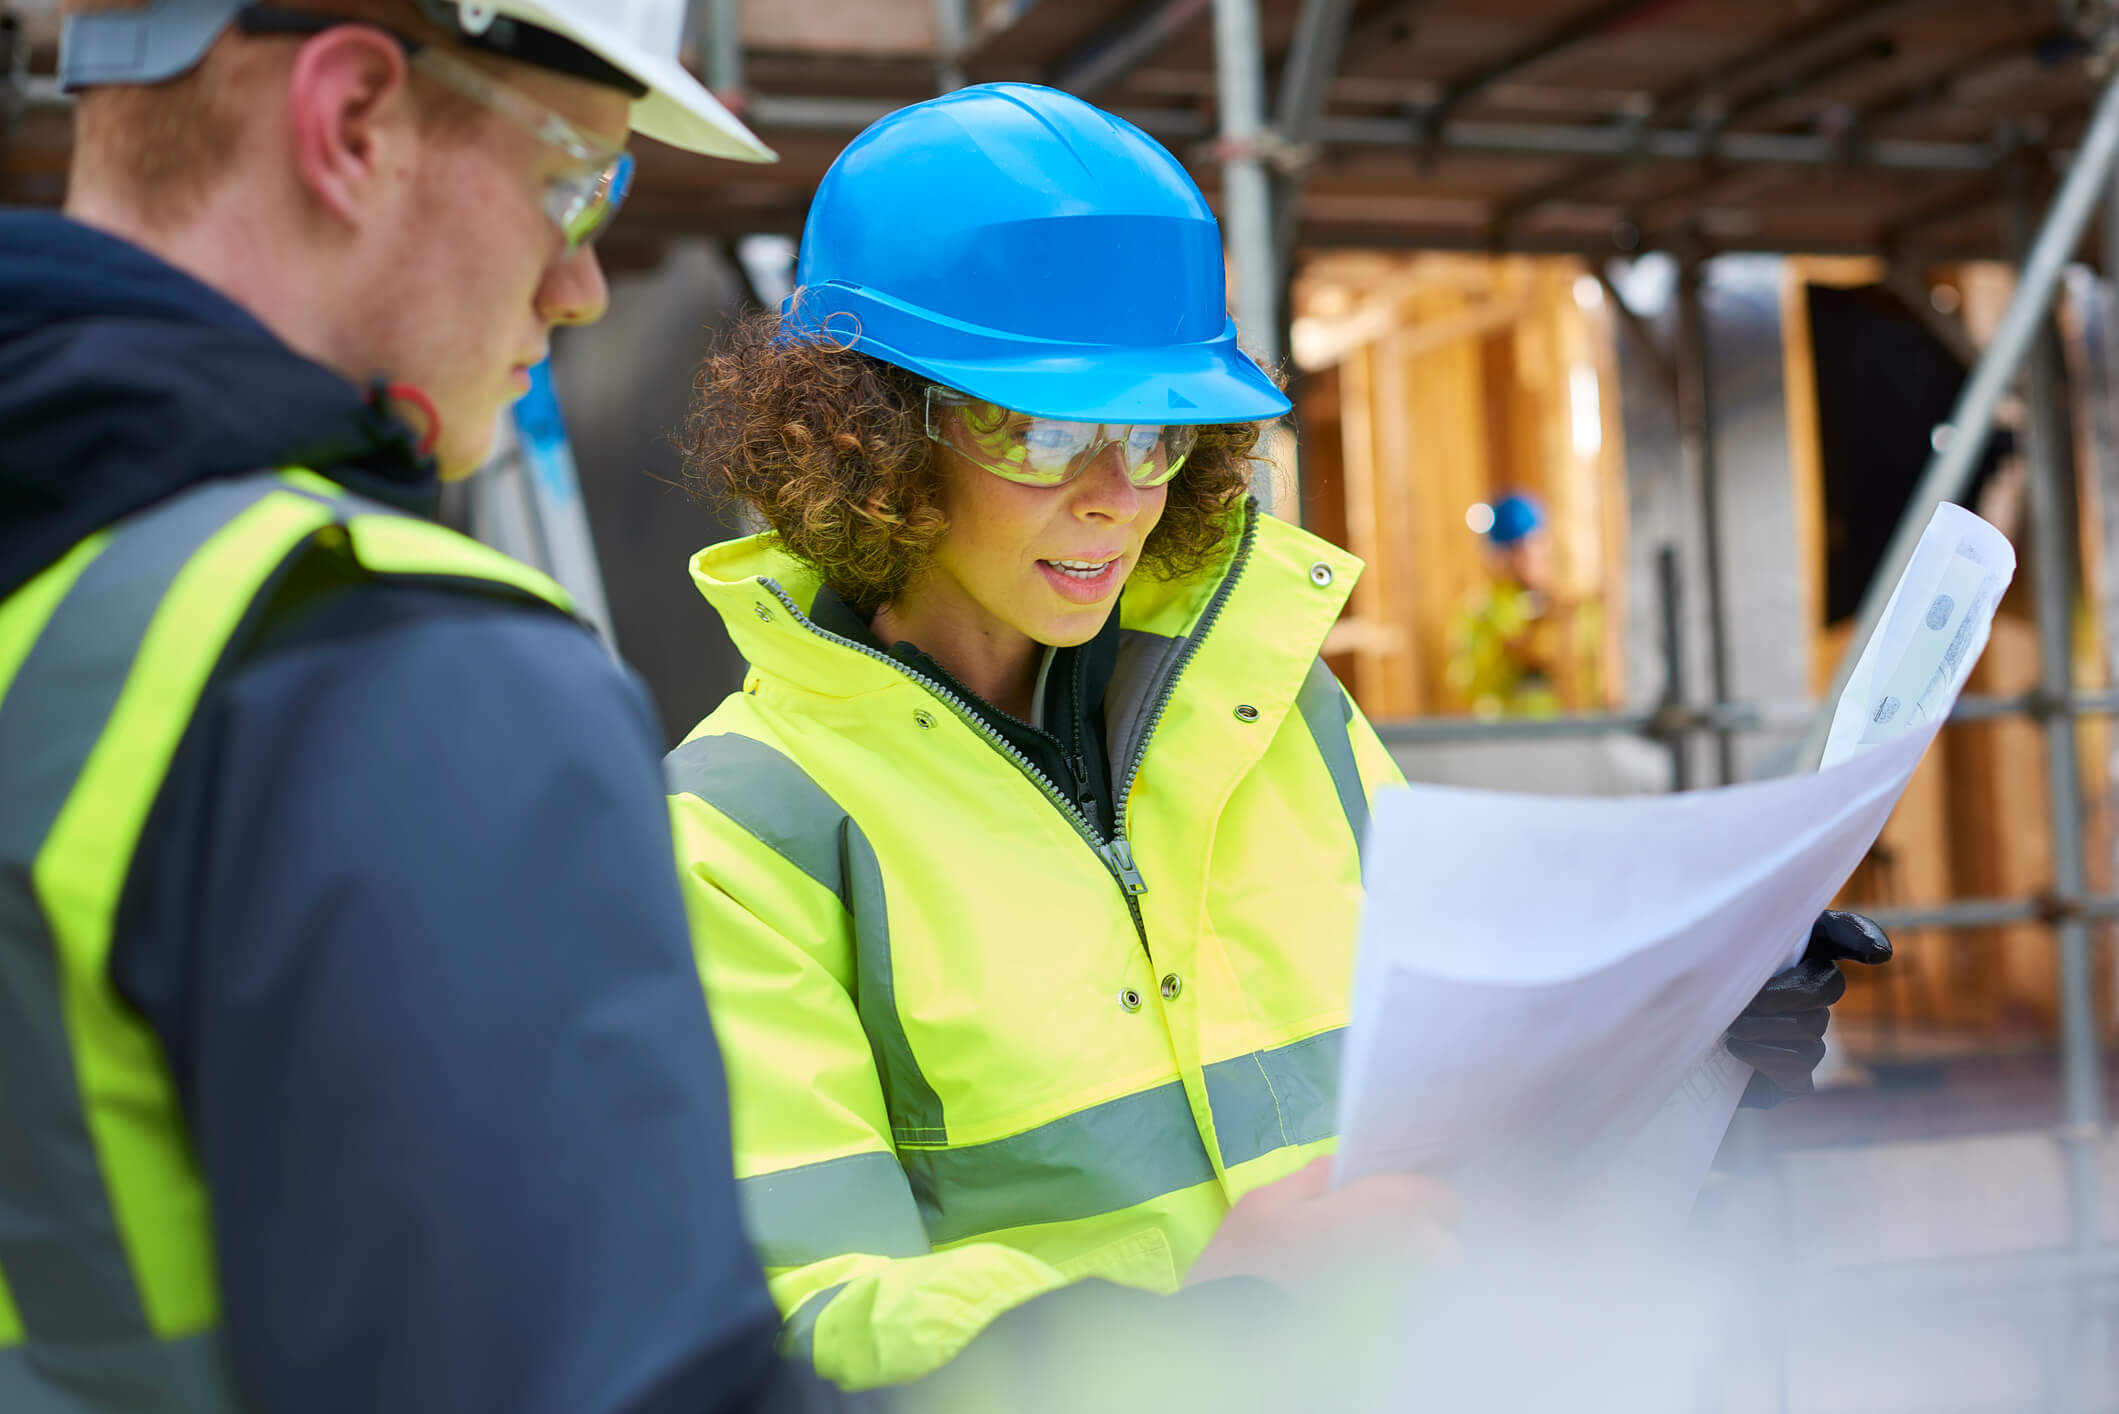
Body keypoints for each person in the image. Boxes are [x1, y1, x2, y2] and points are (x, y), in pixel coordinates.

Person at [667, 83, 1894, 1392]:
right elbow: (804, 1322)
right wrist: (1192, 1311)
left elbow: (1457, 1144)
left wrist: (1685, 1056)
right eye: (1036, 427)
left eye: (1151, 432)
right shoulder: (745, 828)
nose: (1115, 497)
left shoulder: (1282, 712)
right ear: (865, 436)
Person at [0, 3, 858, 1411]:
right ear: (351, 125)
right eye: (578, 183)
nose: (580, 284)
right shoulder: (388, 662)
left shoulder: (54, 570)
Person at [1447, 492, 1602, 718]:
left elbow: (1593, 673)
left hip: (1567, 730)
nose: (1532, 558)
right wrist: (1506, 653)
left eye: (1537, 546)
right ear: (1499, 557)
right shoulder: (1481, 612)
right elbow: (1467, 683)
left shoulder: (1571, 607)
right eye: (1518, 550)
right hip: (1507, 732)